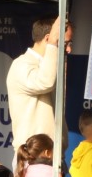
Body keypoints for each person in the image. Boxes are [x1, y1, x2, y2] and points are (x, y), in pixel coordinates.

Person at [6, 15, 71, 150]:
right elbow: (45, 82)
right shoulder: (21, 65)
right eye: (65, 44)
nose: (69, 50)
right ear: (48, 38)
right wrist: (53, 44)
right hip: (33, 157)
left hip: (52, 156)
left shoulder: (50, 65)